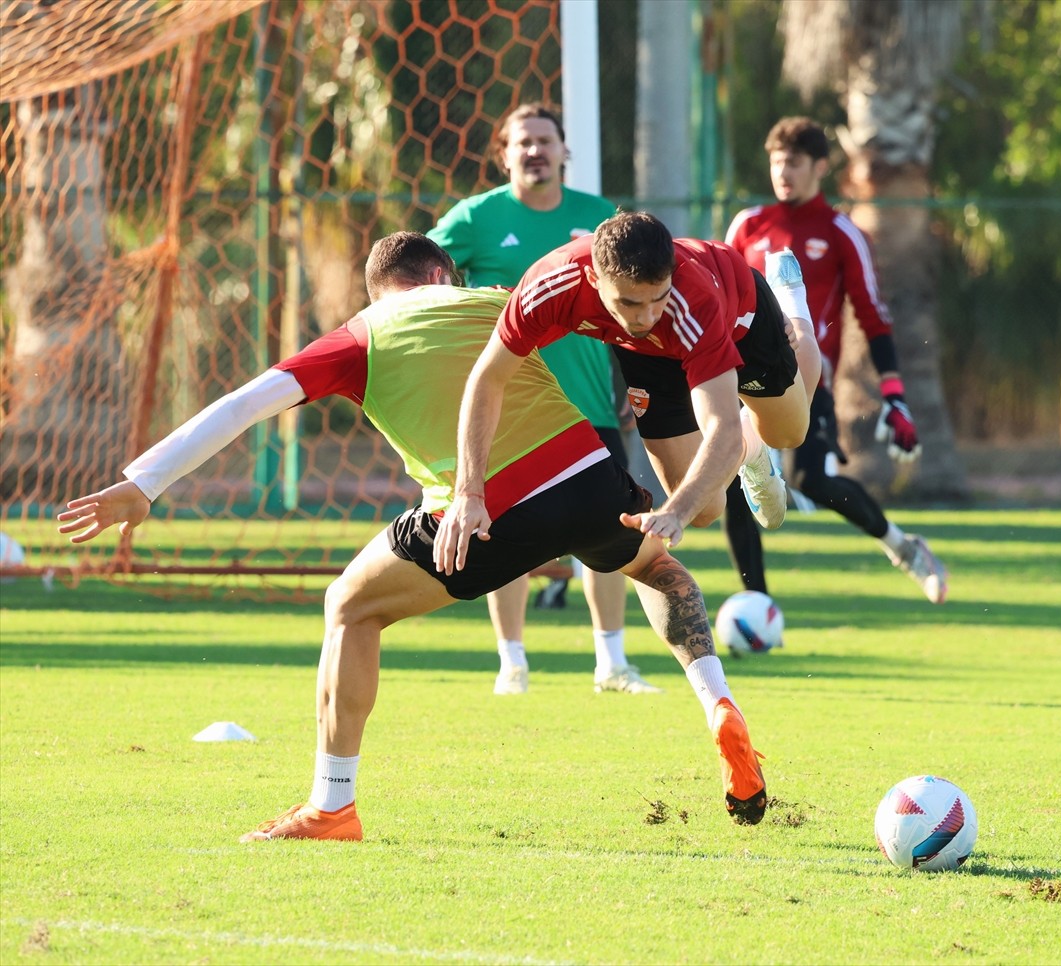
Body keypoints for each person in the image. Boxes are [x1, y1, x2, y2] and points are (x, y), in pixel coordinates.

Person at [56, 232, 769, 837]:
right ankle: (717, 700)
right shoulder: (498, 299)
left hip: (483, 512)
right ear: (440, 277)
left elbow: (241, 406)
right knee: (661, 571)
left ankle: (332, 804)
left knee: (350, 606)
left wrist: (143, 483)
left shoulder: (355, 338)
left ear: (380, 291)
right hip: (588, 476)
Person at [435, 211, 823, 574]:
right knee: (705, 510)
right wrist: (469, 493)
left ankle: (792, 302)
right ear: (593, 279)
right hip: (646, 355)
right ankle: (751, 450)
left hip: (739, 317)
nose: (647, 316)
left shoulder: (692, 301)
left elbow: (722, 427)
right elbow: (488, 379)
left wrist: (673, 513)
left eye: (658, 297)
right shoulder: (551, 285)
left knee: (788, 434)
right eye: (629, 302)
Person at [427, 102, 659, 696]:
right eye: (522, 142)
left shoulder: (598, 217)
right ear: (503, 154)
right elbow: (419, 282)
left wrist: (635, 383)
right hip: (510, 409)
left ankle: (612, 664)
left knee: (609, 532)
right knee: (503, 533)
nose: (535, 151)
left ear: (563, 151)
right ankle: (512, 664)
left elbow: (635, 305)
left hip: (589, 405)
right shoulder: (474, 218)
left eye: (545, 140)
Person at [723, 116, 948, 603]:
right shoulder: (748, 225)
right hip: (743, 380)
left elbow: (873, 315)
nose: (783, 172)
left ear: (820, 167)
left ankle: (904, 547)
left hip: (807, 383)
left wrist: (894, 394)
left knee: (810, 480)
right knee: (734, 483)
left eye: (794, 162)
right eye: (776, 162)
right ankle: (759, 607)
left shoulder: (840, 231)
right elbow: (720, 299)